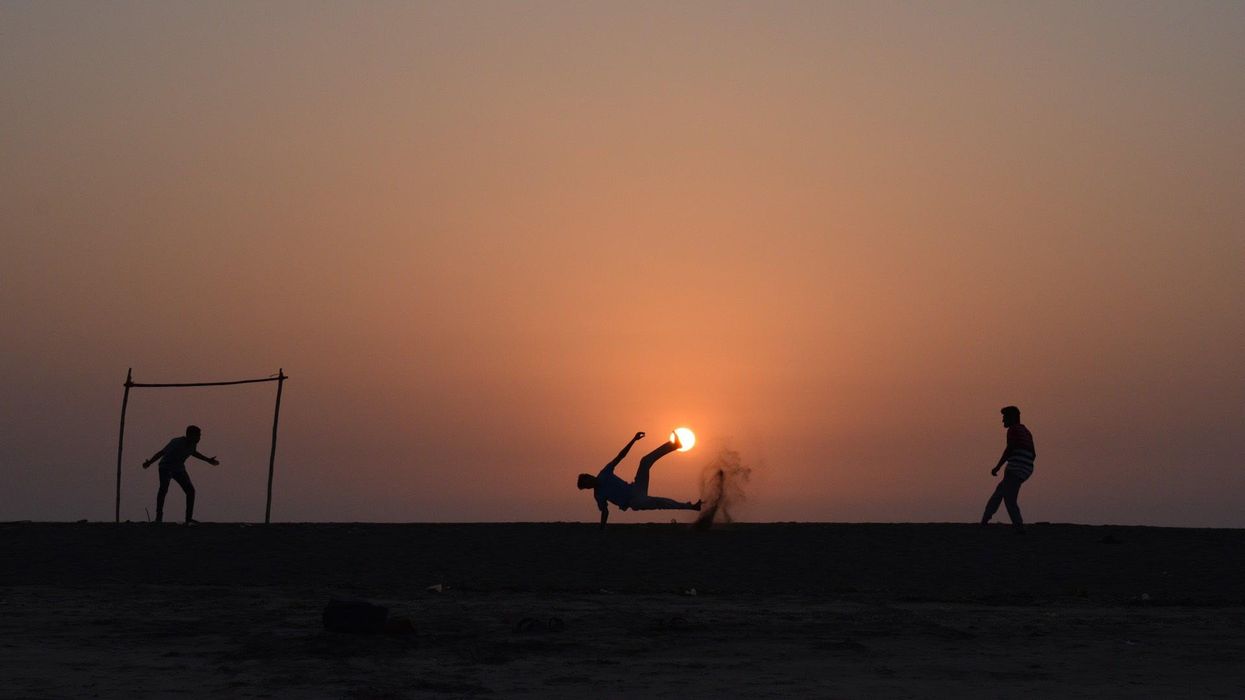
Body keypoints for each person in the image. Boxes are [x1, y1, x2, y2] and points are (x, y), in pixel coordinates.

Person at [577, 431, 701, 528]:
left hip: (636, 487)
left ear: (590, 476)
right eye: (586, 486)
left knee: (645, 461)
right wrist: (601, 529)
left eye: (587, 482)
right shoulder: (598, 495)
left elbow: (620, 456)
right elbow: (605, 512)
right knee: (661, 502)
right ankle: (692, 507)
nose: (589, 486)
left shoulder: (604, 473)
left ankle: (674, 445)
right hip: (634, 501)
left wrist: (634, 440)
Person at [142, 425, 220, 524]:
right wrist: (149, 462)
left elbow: (194, 453)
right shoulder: (176, 442)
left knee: (190, 491)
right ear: (190, 435)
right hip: (166, 467)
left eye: (200, 436)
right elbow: (162, 452)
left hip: (179, 469)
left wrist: (208, 460)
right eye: (198, 436)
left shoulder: (193, 444)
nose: (199, 438)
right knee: (163, 489)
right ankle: (159, 517)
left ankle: (188, 518)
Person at [981, 406, 1035, 533]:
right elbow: (1034, 453)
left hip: (1015, 468)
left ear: (1012, 418)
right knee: (1000, 492)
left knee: (1009, 498)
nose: (1003, 421)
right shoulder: (1026, 431)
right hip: (1026, 469)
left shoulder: (1013, 430)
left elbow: (1009, 449)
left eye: (1005, 418)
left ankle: (1019, 527)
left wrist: (998, 466)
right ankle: (985, 519)